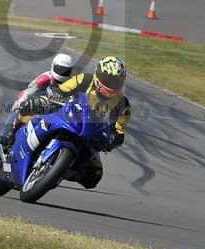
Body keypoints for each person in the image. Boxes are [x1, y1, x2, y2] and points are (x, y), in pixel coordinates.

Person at [18, 55, 131, 189]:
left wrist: (113, 140)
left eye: (116, 82)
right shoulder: (84, 79)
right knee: (31, 107)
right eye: (108, 80)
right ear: (98, 75)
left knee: (94, 175)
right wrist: (51, 98)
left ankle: (58, 171)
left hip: (90, 134)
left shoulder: (122, 104)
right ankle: (13, 132)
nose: (111, 85)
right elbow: (61, 90)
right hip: (66, 116)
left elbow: (119, 130)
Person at [0, 53, 75, 149]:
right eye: (60, 69)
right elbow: (28, 92)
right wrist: (21, 104)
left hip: (56, 113)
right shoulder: (45, 78)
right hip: (38, 107)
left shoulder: (72, 83)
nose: (62, 73)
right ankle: (7, 132)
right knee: (20, 108)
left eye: (66, 71)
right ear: (53, 66)